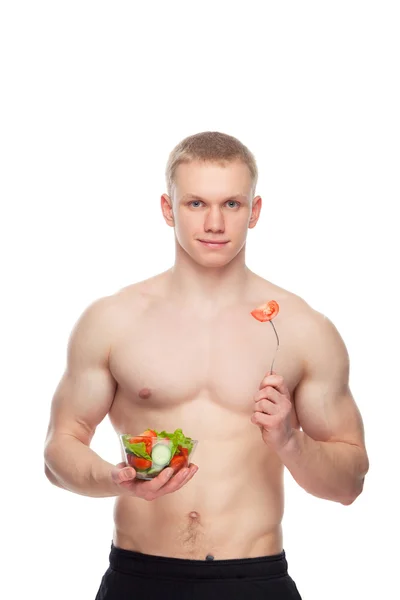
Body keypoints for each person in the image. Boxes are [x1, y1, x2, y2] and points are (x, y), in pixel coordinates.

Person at [44, 131, 369, 599]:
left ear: (254, 212)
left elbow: (350, 483)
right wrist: (116, 479)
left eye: (232, 204)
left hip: (255, 578)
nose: (214, 222)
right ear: (167, 208)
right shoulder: (112, 320)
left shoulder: (303, 328)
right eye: (196, 203)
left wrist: (289, 441)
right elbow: (58, 453)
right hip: (140, 577)